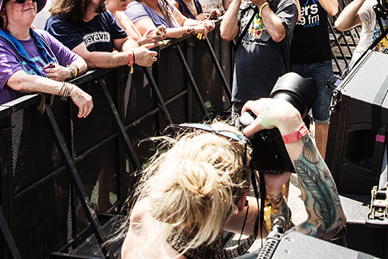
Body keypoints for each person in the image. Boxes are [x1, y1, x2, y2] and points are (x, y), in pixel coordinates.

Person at [122, 97, 346, 258]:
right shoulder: (212, 210)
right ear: (241, 201)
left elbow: (272, 226)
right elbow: (329, 224)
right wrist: (291, 122)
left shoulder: (147, 211)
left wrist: (272, 194)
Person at [0, 0, 93, 116]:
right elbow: (19, 81)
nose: (29, 2)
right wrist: (68, 89)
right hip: (5, 132)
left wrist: (69, 71)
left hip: (40, 128)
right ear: (3, 12)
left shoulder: (42, 36)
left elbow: (80, 61)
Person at [274, 0, 340, 156]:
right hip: (292, 61)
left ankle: (321, 166)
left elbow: (332, 8)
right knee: (293, 118)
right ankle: (299, 161)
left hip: (320, 59)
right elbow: (296, 15)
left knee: (322, 117)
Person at [220, 0, 297, 111]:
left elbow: (277, 34)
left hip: (273, 91)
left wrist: (262, 4)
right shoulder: (244, 6)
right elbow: (226, 34)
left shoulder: (285, 4)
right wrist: (237, 0)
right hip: (243, 92)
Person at [46, 0, 158, 69]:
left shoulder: (104, 14)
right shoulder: (59, 24)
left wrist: (134, 51)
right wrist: (131, 57)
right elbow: (86, 59)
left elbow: (123, 41)